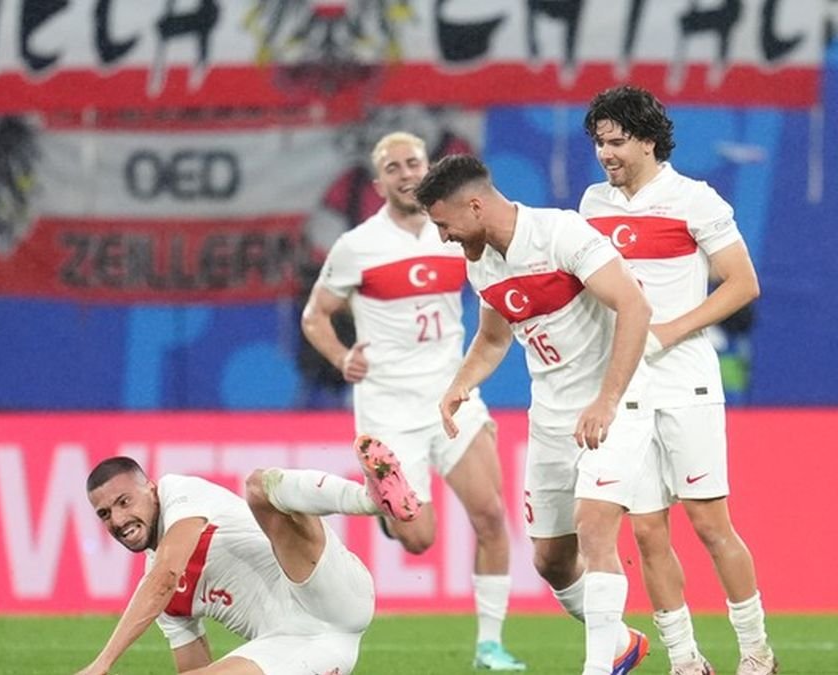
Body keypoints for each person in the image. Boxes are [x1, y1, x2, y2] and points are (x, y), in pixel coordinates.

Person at [414, 154, 655, 675]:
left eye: (444, 225)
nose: (443, 238)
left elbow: (635, 305)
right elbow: (493, 337)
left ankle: (598, 668)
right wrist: (459, 384)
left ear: (475, 206)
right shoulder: (481, 262)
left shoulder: (561, 234)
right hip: (550, 415)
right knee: (550, 560)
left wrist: (608, 400)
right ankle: (619, 642)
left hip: (614, 404)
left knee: (594, 525)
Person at [300, 131, 524, 670]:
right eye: (393, 167)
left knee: (492, 514)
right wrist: (341, 358)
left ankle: (490, 645)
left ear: (429, 169)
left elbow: (498, 283)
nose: (405, 173)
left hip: (450, 396)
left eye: (413, 163)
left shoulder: (455, 230)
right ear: (379, 183)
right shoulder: (357, 246)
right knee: (419, 539)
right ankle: (388, 510)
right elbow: (315, 316)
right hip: (389, 409)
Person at [579, 85, 774, 675]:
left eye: (616, 142)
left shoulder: (694, 199)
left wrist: (668, 331)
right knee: (647, 532)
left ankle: (756, 652)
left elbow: (742, 283)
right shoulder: (593, 203)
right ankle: (686, 659)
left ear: (647, 140)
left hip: (686, 381)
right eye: (599, 143)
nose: (606, 154)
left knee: (711, 524)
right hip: (625, 388)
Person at [75, 435, 420, 675]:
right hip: (305, 648)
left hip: (330, 592)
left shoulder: (180, 494)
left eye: (124, 502)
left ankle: (369, 499)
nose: (117, 519)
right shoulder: (163, 600)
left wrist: (102, 663)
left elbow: (164, 577)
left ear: (151, 489)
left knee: (258, 488)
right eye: (105, 514)